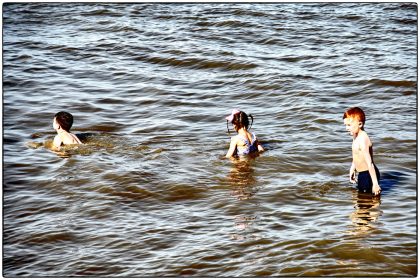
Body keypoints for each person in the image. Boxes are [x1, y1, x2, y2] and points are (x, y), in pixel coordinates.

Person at [343, 107, 381, 195]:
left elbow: (370, 163)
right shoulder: (355, 135)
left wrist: (375, 184)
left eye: (349, 125)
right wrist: (353, 169)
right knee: (363, 200)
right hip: (362, 173)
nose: (346, 128)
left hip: (368, 174)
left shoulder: (363, 139)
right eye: (345, 125)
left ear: (360, 124)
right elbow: (356, 154)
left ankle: (374, 207)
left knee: (364, 201)